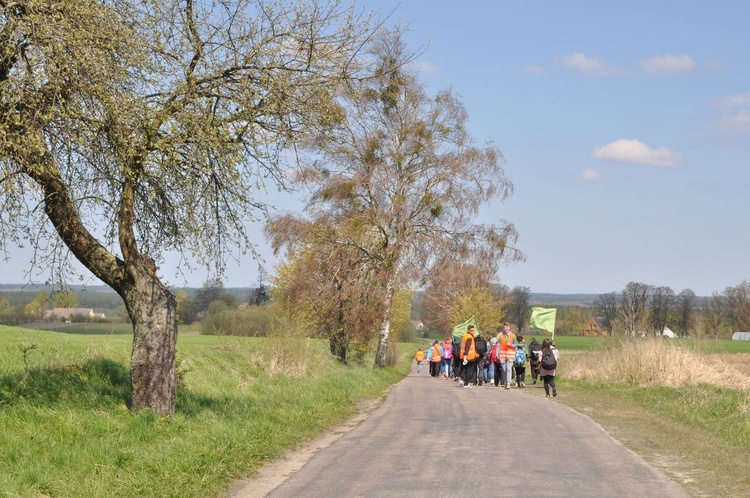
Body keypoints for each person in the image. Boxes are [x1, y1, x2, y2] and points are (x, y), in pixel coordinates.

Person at [498, 322, 517, 390]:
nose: (506, 328)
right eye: (505, 327)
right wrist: (497, 354)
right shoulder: (501, 336)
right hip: (503, 355)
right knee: (504, 369)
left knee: (509, 369)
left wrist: (510, 345)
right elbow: (498, 345)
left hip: (510, 355)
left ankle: (508, 383)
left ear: (509, 328)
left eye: (507, 327)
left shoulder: (513, 336)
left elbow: (516, 344)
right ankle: (506, 382)